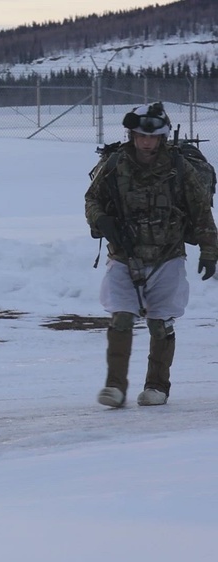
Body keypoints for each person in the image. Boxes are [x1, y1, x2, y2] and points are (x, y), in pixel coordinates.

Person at [85, 102, 217, 408]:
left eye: (153, 136)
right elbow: (92, 198)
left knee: (160, 323)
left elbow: (200, 211)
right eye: (141, 136)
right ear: (131, 135)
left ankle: (157, 386)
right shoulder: (115, 163)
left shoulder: (180, 168)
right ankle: (115, 387)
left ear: (162, 137)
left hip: (167, 255)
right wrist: (100, 219)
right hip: (123, 254)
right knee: (120, 319)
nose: (146, 142)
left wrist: (210, 250)